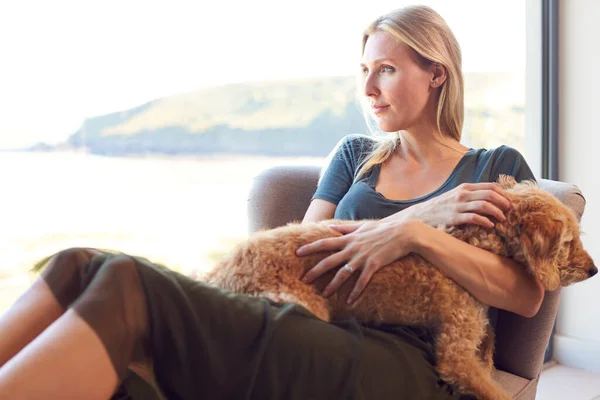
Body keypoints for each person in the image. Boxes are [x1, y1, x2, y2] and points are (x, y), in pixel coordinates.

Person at [0, 5, 542, 400]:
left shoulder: (497, 168)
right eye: (364, 71)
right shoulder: (355, 155)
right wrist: (415, 217)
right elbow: (301, 252)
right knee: (79, 266)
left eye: (388, 69)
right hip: (316, 322)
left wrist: (419, 236)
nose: (369, 87)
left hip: (411, 356)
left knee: (123, 282)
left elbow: (526, 296)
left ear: (436, 75)